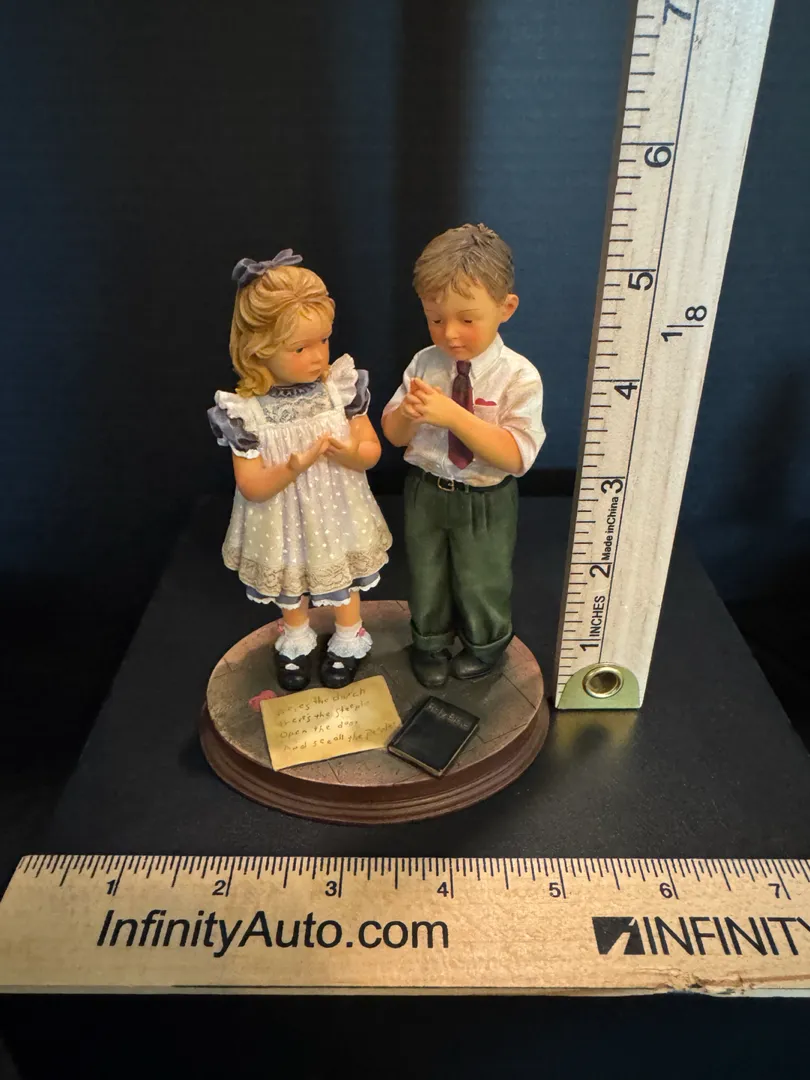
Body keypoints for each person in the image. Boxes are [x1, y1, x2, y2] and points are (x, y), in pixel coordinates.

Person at [209, 250, 392, 692]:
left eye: (323, 341)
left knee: (342, 571)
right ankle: (296, 634)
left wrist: (350, 452)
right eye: (300, 348)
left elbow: (372, 452)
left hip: (337, 509)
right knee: (290, 570)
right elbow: (252, 486)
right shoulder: (246, 412)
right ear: (259, 349)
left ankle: (349, 635)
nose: (318, 356)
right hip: (282, 516)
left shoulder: (339, 389)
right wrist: (293, 465)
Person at [382, 224, 545, 688]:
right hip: (426, 492)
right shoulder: (425, 363)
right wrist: (408, 414)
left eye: (466, 319)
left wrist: (454, 416)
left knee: (481, 577)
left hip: (484, 499)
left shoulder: (519, 376)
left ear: (505, 308)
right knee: (427, 573)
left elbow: (516, 456)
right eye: (435, 319)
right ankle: (429, 642)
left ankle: (485, 646)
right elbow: (394, 435)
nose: (450, 334)